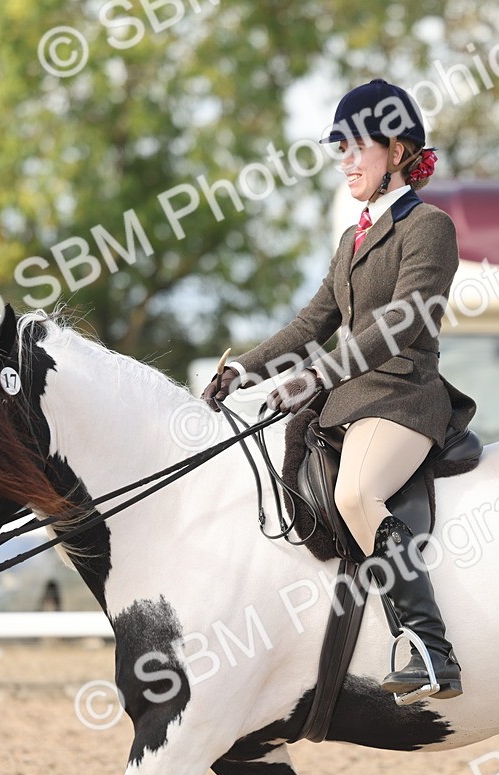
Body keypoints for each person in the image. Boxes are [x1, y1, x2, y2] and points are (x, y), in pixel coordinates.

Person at [201, 79, 476, 698]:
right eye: (341, 148)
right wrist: (241, 369)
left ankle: (431, 647)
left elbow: (401, 319)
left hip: (404, 397)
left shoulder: (429, 228)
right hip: (350, 397)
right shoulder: (353, 238)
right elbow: (310, 325)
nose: (346, 160)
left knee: (356, 492)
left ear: (399, 151)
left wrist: (318, 374)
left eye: (359, 147)